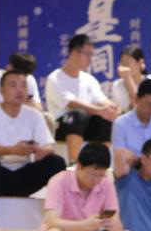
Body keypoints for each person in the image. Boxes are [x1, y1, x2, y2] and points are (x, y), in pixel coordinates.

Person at [0, 69, 66, 216]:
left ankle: (56, 216)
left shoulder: (34, 114)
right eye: (13, 85)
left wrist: (43, 151)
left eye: (23, 85)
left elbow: (49, 145)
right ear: (1, 90)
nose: (19, 90)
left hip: (23, 177)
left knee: (56, 162)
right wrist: (12, 150)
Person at [37, 143, 135, 231]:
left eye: (100, 175)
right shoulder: (59, 181)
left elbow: (117, 223)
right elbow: (52, 222)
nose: (96, 180)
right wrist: (85, 225)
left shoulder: (106, 184)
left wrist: (113, 225)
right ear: (79, 166)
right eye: (92, 175)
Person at [45, 34, 119, 163]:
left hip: (86, 125)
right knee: (77, 116)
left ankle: (102, 162)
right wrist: (99, 110)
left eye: (92, 55)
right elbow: (72, 103)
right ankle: (74, 162)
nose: (90, 59)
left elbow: (101, 100)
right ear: (74, 52)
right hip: (63, 125)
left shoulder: (89, 79)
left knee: (104, 120)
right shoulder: (55, 78)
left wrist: (112, 108)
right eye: (87, 54)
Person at [108, 44, 151, 120]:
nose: (124, 67)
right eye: (122, 63)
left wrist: (128, 80)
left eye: (127, 64)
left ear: (140, 63)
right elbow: (116, 114)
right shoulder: (117, 85)